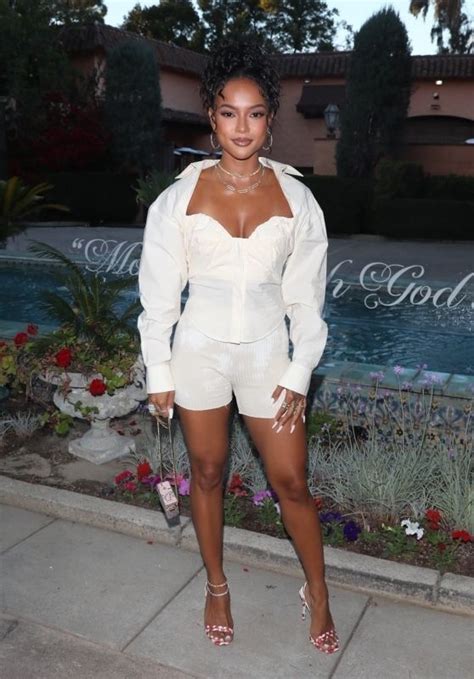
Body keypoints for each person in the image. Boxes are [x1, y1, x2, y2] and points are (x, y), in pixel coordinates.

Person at [137, 38, 339, 655]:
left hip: (269, 356)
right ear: (211, 116)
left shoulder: (299, 199)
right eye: (229, 112)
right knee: (206, 472)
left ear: (270, 121)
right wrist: (160, 371)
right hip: (197, 351)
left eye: (255, 113)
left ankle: (320, 591)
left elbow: (307, 300)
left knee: (292, 481)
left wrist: (301, 369)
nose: (242, 126)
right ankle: (217, 585)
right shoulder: (177, 198)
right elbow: (159, 297)